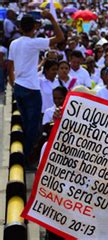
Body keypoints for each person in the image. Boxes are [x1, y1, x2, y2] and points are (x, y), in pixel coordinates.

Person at [8, 10, 64, 168]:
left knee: (26, 125)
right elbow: (60, 38)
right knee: (34, 128)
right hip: (32, 90)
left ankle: (24, 158)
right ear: (34, 27)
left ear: (20, 28)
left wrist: (13, 83)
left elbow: (10, 66)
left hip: (19, 87)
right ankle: (26, 159)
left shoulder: (14, 43)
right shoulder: (34, 42)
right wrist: (52, 18)